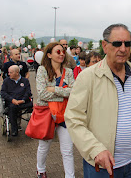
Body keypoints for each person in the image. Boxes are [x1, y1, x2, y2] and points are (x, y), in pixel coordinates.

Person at [65, 24, 131, 177]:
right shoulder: (88, 77)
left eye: (127, 44)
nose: (123, 48)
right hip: (102, 166)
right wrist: (95, 149)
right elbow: (73, 118)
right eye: (117, 43)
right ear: (105, 45)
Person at [36, 42, 75, 178]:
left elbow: (73, 91)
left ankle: (70, 176)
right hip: (47, 114)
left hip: (64, 114)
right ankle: (41, 169)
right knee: (44, 146)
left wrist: (53, 89)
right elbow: (41, 94)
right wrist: (63, 91)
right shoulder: (42, 70)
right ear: (49, 55)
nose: (62, 54)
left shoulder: (68, 72)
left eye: (63, 51)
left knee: (68, 149)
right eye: (58, 51)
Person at [0, 65, 33, 136]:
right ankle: (14, 129)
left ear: (17, 73)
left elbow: (28, 92)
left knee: (32, 106)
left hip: (23, 102)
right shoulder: (6, 81)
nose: (9, 74)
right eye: (9, 72)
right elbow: (3, 93)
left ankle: (32, 128)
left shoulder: (25, 81)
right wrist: (12, 100)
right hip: (12, 103)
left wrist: (23, 100)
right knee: (12, 108)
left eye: (11, 72)